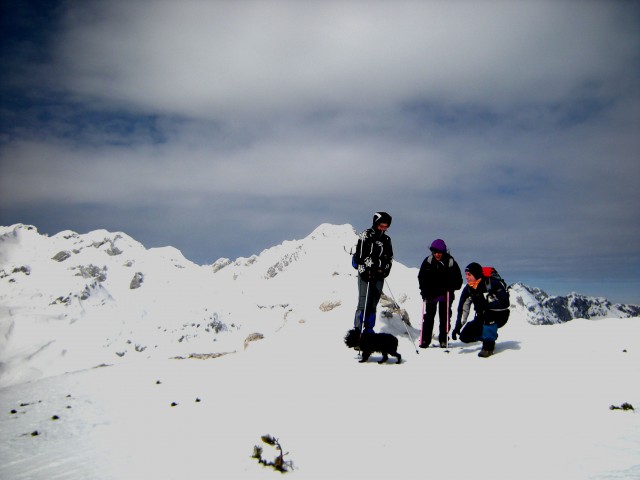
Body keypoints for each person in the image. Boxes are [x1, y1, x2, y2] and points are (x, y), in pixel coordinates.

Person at [452, 262, 510, 357]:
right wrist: (458, 325)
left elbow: (505, 303)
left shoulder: (492, 283)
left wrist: (489, 306)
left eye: (469, 274)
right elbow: (463, 307)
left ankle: (488, 347)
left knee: (488, 316)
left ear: (476, 274)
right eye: (466, 274)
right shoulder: (469, 289)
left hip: (500, 315)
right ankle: (488, 336)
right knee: (465, 336)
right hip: (481, 316)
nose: (466, 277)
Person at [352, 212, 393, 334]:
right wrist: (366, 269)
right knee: (363, 302)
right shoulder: (366, 235)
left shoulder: (386, 239)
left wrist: (385, 270)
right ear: (376, 223)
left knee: (374, 302)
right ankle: (357, 331)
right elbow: (360, 255)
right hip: (365, 273)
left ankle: (369, 330)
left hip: (379, 275)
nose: (383, 229)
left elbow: (389, 257)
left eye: (386, 226)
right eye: (381, 225)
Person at [417, 239, 462, 348]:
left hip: (445, 294)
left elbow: (458, 281)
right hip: (430, 294)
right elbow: (421, 277)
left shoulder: (450, 262)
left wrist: (451, 286)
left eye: (439, 252)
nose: (437, 254)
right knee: (428, 317)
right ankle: (425, 340)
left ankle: (443, 339)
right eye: (434, 252)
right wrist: (423, 291)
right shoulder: (428, 261)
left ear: (444, 251)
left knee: (445, 317)